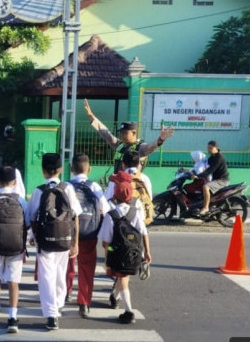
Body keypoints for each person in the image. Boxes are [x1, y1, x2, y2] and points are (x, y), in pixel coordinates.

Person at [27, 153, 82, 331]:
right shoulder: (68, 188)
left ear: (43, 171)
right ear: (60, 170)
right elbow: (75, 217)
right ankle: (58, 305)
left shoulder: (39, 191)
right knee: (60, 273)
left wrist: (33, 236)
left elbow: (31, 217)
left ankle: (51, 315)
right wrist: (75, 242)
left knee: (46, 277)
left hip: (45, 241)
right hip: (65, 239)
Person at [98, 171, 152, 324]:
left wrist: (107, 257)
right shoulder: (136, 207)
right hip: (134, 250)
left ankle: (129, 311)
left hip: (116, 252)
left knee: (122, 278)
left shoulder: (111, 213)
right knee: (123, 277)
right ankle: (114, 297)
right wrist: (147, 251)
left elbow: (106, 241)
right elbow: (143, 231)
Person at [0, 166, 29, 334]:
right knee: (13, 281)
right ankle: (13, 317)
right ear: (15, 182)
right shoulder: (21, 200)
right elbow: (28, 224)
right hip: (16, 247)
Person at [65, 154, 110, 318]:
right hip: (89, 233)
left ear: (71, 169)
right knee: (86, 269)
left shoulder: (66, 186)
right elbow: (105, 210)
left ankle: (66, 291)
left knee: (68, 264)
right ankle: (84, 302)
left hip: (69, 234)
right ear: (89, 169)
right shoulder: (95, 187)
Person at [83, 99, 174, 173]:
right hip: (118, 184)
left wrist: (161, 139)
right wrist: (91, 116)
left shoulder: (140, 148)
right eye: (121, 133)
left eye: (125, 133)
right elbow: (106, 133)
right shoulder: (120, 145)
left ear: (134, 133)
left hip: (132, 186)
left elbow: (151, 146)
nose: (122, 135)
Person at [196, 140, 230, 215]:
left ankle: (206, 207)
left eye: (210, 148)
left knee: (206, 187)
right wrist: (191, 172)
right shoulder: (212, 158)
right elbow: (204, 168)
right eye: (208, 148)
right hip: (216, 180)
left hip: (222, 180)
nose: (208, 150)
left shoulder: (219, 158)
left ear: (216, 148)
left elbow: (209, 171)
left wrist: (197, 176)